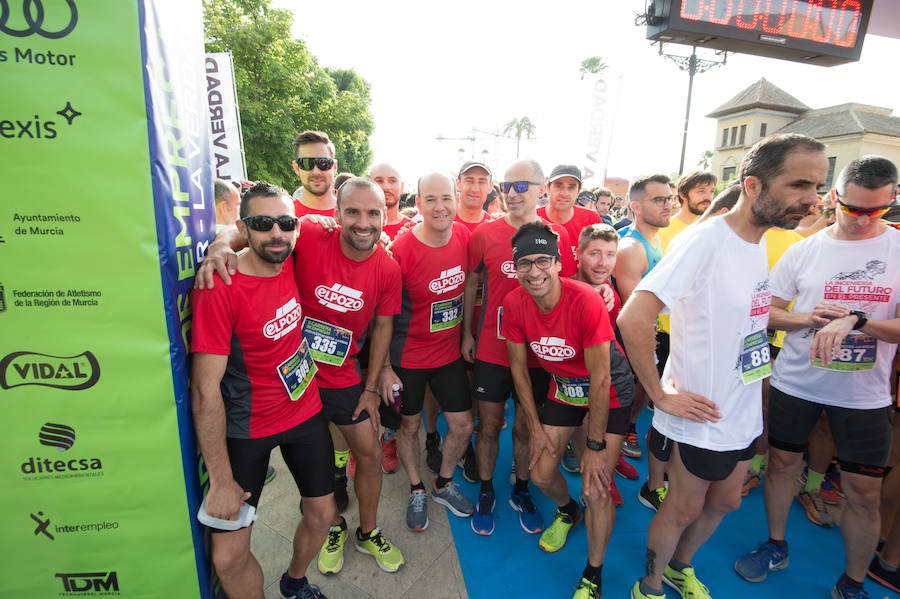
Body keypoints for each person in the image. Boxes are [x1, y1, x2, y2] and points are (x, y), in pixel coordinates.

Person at [619, 133, 828, 599]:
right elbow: (634, 315)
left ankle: (678, 568)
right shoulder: (706, 241)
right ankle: (649, 586)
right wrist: (659, 395)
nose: (812, 200)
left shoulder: (757, 240)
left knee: (728, 501)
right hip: (701, 412)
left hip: (742, 407)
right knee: (684, 508)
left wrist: (805, 320)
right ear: (753, 186)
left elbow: (749, 314)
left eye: (817, 187)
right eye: (799, 185)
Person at [197, 177, 406, 576]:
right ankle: (333, 528)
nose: (364, 222)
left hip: (342, 378)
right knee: (320, 486)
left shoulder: (387, 267)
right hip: (292, 386)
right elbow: (245, 229)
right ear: (335, 214)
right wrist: (221, 248)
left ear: (385, 215)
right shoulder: (305, 233)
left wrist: (369, 387)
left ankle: (368, 530)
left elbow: (383, 328)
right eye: (353, 212)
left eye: (373, 213)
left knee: (370, 453)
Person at [734, 155, 900, 599]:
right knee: (782, 466)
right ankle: (775, 544)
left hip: (865, 398)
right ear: (833, 199)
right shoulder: (804, 249)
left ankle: (854, 582)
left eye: (876, 211)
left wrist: (859, 321)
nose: (863, 220)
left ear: (892, 201)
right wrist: (809, 319)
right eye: (853, 208)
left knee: (864, 495)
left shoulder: (898, 250)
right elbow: (765, 312)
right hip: (797, 384)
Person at [191, 182, 334, 599]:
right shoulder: (222, 283)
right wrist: (219, 480)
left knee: (323, 513)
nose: (276, 232)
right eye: (262, 223)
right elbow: (204, 389)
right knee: (229, 558)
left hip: (304, 410)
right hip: (246, 428)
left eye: (285, 222)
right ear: (244, 227)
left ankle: (295, 580)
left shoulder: (292, 255)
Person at [502, 222, 633, 599]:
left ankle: (594, 572)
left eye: (543, 260)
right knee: (540, 472)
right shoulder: (513, 302)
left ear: (559, 263)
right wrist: (535, 427)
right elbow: (518, 370)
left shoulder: (584, 299)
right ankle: (567, 511)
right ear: (515, 268)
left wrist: (592, 448)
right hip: (564, 389)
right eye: (524, 263)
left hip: (607, 391)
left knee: (596, 487)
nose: (534, 271)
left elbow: (602, 378)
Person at [461, 159, 576, 536]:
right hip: (494, 350)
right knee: (489, 425)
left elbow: (570, 290)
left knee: (528, 428)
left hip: (540, 354)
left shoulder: (555, 234)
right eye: (506, 186)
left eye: (521, 186)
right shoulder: (484, 234)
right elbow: (471, 287)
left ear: (541, 189)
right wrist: (467, 334)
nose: (512, 194)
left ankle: (522, 489)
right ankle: (487, 490)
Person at [379, 172, 476, 532]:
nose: (440, 207)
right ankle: (416, 487)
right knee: (409, 427)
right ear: (417, 203)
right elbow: (383, 315)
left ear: (456, 200)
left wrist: (466, 334)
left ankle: (443, 484)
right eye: (430, 199)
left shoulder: (464, 235)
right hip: (408, 358)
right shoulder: (401, 250)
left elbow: (468, 285)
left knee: (464, 425)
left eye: (446, 198)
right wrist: (385, 367)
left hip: (449, 353)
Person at [613, 174, 673, 506]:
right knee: (623, 401)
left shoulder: (660, 241)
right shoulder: (631, 247)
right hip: (633, 340)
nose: (668, 205)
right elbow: (634, 310)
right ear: (636, 206)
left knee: (637, 399)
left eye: (669, 198)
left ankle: (626, 430)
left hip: (657, 336)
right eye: (659, 200)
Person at [537, 164, 601, 256]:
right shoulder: (533, 218)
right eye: (558, 185)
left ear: (578, 192)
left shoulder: (591, 219)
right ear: (548, 188)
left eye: (571, 187)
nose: (564, 193)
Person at [291, 130, 338, 217]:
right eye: (307, 163)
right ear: (296, 168)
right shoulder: (285, 217)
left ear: (334, 167)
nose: (316, 172)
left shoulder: (352, 216)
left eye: (324, 163)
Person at [369, 163, 413, 241]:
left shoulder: (414, 230)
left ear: (402, 187)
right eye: (379, 181)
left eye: (392, 181)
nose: (386, 187)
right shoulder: (356, 228)